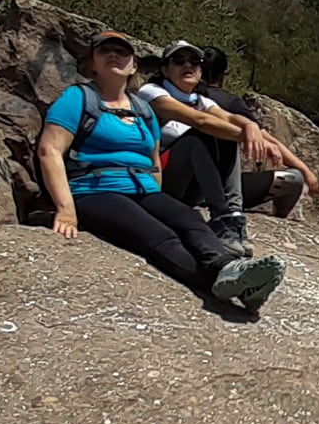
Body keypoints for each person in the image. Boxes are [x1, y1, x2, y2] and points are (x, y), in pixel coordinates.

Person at [35, 30, 287, 311]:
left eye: (123, 51)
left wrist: (160, 203)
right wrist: (66, 209)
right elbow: (50, 151)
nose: (115, 55)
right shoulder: (77, 98)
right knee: (158, 236)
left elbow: (153, 161)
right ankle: (225, 282)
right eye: (106, 51)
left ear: (133, 66)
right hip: (96, 190)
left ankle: (231, 268)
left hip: (143, 189)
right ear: (92, 63)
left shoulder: (142, 109)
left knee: (188, 220)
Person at [143, 42, 318, 252]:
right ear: (164, 69)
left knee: (223, 132)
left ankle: (233, 218)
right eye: (179, 61)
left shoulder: (200, 100)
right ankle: (221, 217)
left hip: (191, 188)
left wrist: (249, 125)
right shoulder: (152, 93)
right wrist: (247, 137)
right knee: (204, 134)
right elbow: (200, 121)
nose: (187, 66)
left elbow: (229, 118)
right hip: (161, 179)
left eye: (194, 62)